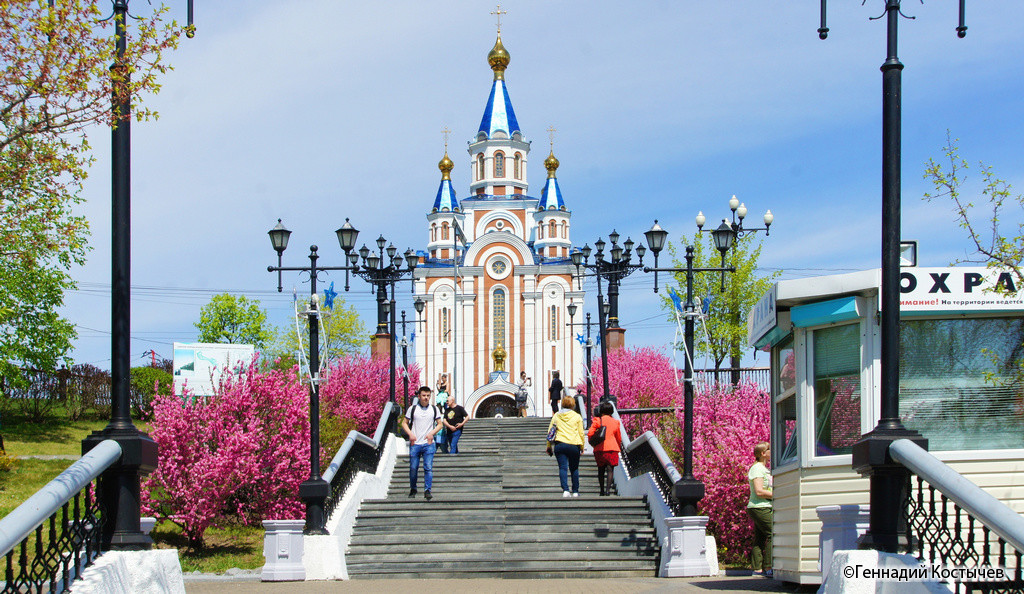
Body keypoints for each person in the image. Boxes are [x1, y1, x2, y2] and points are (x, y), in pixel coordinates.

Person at [400, 386, 442, 500]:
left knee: (428, 467)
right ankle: (413, 489)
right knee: (413, 467)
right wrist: (410, 434)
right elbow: (404, 423)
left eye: (428, 396)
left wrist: (431, 433)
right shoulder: (412, 409)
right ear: (419, 396)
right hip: (415, 443)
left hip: (428, 443)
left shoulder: (434, 409)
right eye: (424, 395)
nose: (426, 398)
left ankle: (427, 490)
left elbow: (440, 424)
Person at [546, 395, 585, 497]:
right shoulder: (577, 416)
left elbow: (550, 431)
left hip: (560, 444)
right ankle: (575, 491)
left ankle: (565, 490)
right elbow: (581, 433)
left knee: (563, 468)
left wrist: (549, 446)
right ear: (573, 405)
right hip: (574, 444)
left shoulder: (557, 416)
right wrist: (582, 446)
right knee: (574, 468)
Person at [747, 442, 773, 578]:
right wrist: (777, 494)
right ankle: (768, 567)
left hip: (763, 506)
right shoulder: (757, 468)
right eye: (769, 449)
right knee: (773, 533)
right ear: (763, 453)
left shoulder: (764, 468)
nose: (771, 451)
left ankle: (757, 569)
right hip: (759, 507)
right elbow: (759, 491)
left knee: (760, 538)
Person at [587, 401, 622, 496]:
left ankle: (601, 490)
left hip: (600, 449)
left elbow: (590, 433)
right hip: (612, 448)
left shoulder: (598, 420)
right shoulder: (616, 422)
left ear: (601, 410)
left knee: (601, 469)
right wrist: (618, 446)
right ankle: (608, 490)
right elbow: (618, 437)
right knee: (610, 470)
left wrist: (593, 443)